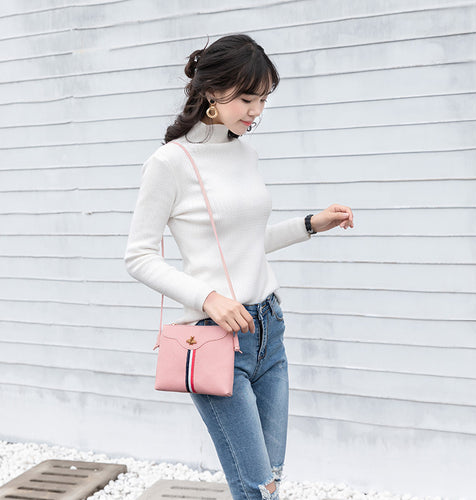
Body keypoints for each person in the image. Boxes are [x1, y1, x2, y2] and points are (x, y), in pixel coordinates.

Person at [124, 34, 354, 500]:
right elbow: (139, 256)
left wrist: (310, 224)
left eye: (263, 100)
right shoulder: (169, 163)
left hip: (269, 327)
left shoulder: (246, 152)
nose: (256, 112)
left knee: (270, 479)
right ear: (212, 91)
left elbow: (246, 245)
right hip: (216, 336)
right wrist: (208, 298)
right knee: (257, 488)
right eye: (248, 99)